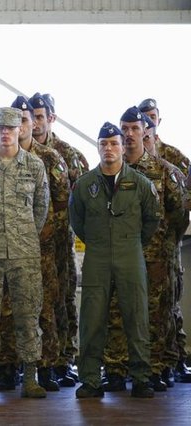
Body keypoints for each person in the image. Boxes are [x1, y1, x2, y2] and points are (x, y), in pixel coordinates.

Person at [69, 121, 160, 399]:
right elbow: (77, 221)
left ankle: (141, 378)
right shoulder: (85, 185)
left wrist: (130, 243)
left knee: (137, 317)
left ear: (122, 147)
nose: (108, 148)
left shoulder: (141, 184)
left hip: (130, 254)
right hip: (97, 255)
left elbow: (151, 221)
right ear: (98, 148)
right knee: (92, 320)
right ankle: (90, 380)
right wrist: (98, 241)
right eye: (103, 144)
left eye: (113, 144)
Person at [102, 107, 187, 392]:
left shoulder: (165, 172)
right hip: (118, 256)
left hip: (155, 259)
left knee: (155, 314)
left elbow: (179, 216)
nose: (128, 134)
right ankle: (115, 368)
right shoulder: (108, 170)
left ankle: (154, 368)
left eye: (135, 129)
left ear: (146, 132)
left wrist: (162, 246)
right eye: (124, 129)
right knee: (116, 311)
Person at [0, 106, 49, 400]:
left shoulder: (34, 166)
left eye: (11, 128)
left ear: (20, 130)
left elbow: (41, 208)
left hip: (24, 253)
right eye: (1, 128)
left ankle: (30, 378)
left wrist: (23, 234)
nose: (6, 133)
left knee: (28, 315)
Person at [0, 96, 71, 392]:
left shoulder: (49, 159)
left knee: (44, 308)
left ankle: (45, 367)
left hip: (41, 249)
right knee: (6, 309)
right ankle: (7, 367)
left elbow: (62, 204)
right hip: (5, 249)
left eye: (25, 120)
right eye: (15, 122)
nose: (22, 126)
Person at [28, 93, 83, 386]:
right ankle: (33, 361)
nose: (36, 123)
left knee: (62, 299)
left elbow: (80, 198)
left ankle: (63, 359)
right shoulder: (16, 151)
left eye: (40, 117)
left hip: (60, 242)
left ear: (51, 118)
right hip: (28, 244)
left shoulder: (66, 154)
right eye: (32, 117)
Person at [139, 97, 191, 384]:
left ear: (159, 120)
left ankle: (174, 359)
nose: (149, 120)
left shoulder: (173, 157)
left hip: (167, 245)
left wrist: (172, 236)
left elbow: (183, 205)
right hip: (138, 248)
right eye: (144, 116)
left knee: (169, 304)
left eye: (152, 116)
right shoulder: (129, 157)